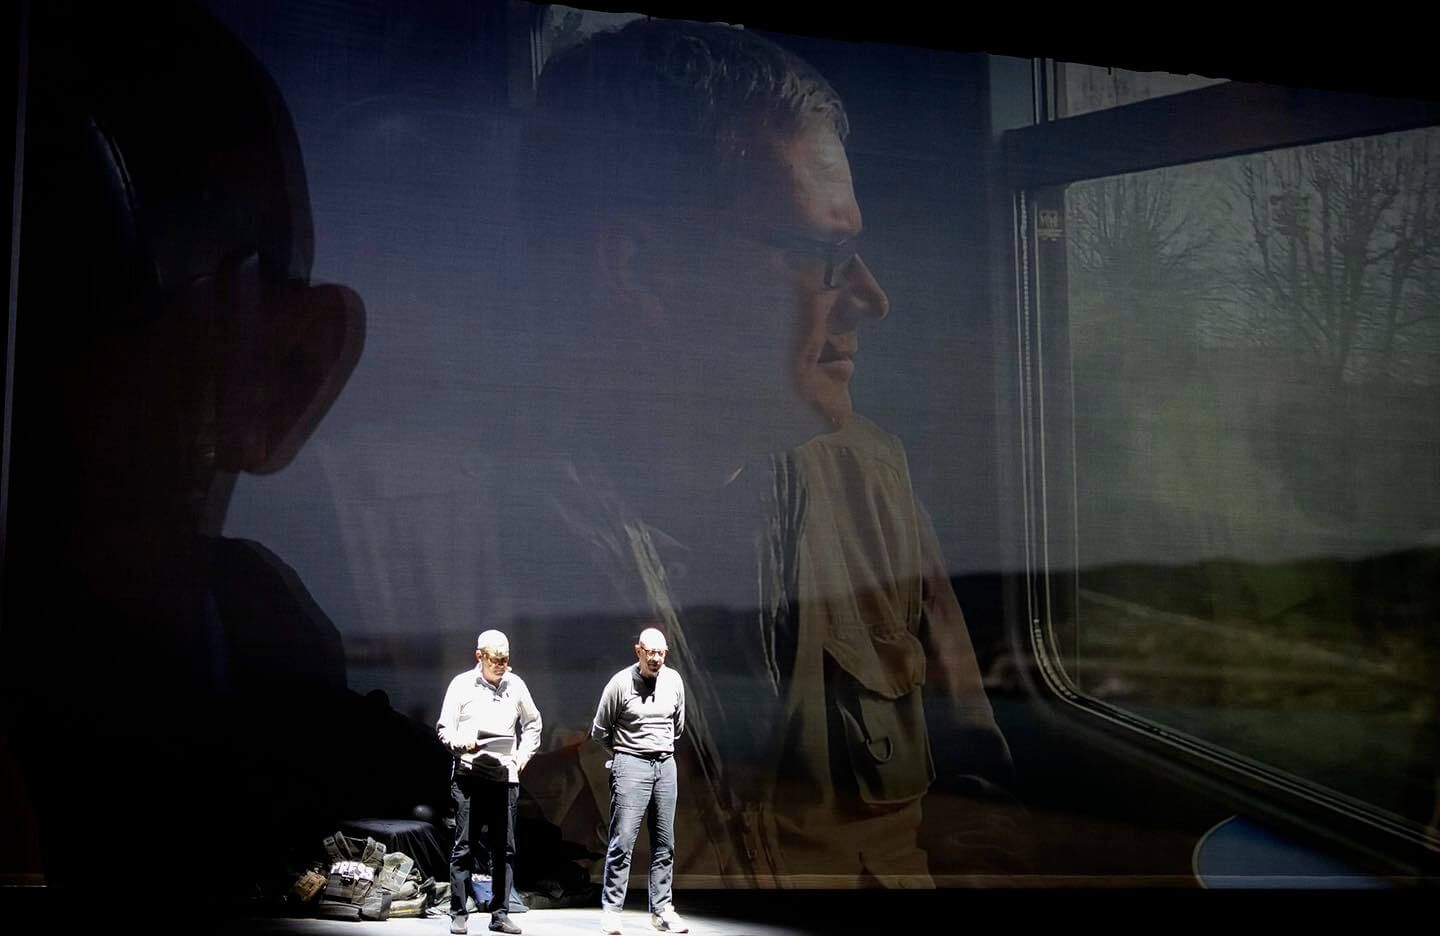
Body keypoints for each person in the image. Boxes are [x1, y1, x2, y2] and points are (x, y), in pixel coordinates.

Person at [492, 18, 1024, 888]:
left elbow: (973, 803)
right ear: (642, 269)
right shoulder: (450, 550)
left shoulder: (871, 480)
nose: (871, 298)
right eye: (827, 255)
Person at [0, 0, 451, 914]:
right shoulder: (269, 670)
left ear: (284, 373)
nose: (32, 360)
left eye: (79, 286)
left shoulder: (273, 674)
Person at [438, 630, 543, 935]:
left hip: (505, 778)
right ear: (479, 656)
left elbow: (533, 723)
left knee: (504, 850)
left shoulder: (516, 684)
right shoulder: (461, 685)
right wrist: (463, 744)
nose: (501, 665)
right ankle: (459, 912)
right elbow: (444, 729)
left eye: (505, 659)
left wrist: (523, 755)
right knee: (464, 848)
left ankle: (500, 913)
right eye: (496, 659)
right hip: (469, 777)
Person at [589, 628, 688, 934]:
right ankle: (612, 910)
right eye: (650, 652)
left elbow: (677, 726)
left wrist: (657, 748)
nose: (656, 658)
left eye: (661, 652)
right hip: (631, 763)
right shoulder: (620, 683)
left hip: (665, 764)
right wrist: (624, 754)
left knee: (665, 843)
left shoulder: (674, 681)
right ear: (638, 651)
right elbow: (599, 731)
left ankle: (662, 910)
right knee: (623, 841)